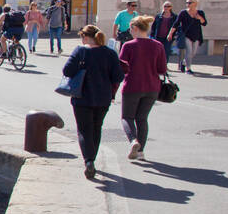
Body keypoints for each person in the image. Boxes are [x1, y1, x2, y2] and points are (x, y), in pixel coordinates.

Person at [63, 24, 124, 180]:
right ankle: (92, 158)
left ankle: (88, 160)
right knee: (97, 128)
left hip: (82, 97)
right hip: (103, 98)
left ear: (84, 36)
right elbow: (118, 76)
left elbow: (67, 71)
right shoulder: (110, 53)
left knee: (84, 130)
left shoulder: (80, 51)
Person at [118, 15, 167, 161]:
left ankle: (133, 141)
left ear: (135, 28)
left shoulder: (128, 45)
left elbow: (122, 67)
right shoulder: (158, 45)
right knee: (142, 119)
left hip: (133, 85)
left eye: (130, 29)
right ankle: (141, 152)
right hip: (152, 87)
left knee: (127, 117)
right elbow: (162, 69)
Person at [171, 0, 207, 74]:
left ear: (195, 4)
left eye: (190, 3)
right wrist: (170, 34)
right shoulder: (183, 12)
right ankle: (188, 69)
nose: (188, 4)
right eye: (187, 3)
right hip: (186, 35)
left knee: (193, 52)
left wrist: (199, 18)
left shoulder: (200, 12)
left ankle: (183, 62)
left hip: (196, 35)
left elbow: (204, 23)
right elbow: (176, 23)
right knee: (189, 52)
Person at [152, 1, 178, 69]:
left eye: (168, 6)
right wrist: (152, 35)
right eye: (165, 6)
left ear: (171, 7)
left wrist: (174, 35)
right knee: (157, 51)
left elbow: (177, 26)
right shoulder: (158, 16)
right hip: (158, 36)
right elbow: (154, 26)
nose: (166, 8)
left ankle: (164, 65)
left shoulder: (174, 16)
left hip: (168, 37)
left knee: (166, 51)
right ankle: (156, 65)